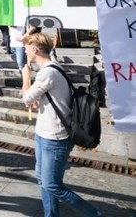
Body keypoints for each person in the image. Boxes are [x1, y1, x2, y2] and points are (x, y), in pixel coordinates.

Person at [21, 33, 104, 217]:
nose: (25, 50)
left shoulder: (48, 72)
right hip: (44, 133)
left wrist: (25, 77)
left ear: (34, 50)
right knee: (44, 181)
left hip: (55, 137)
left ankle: (95, 215)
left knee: (51, 184)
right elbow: (38, 100)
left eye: (26, 47)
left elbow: (26, 98)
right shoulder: (50, 69)